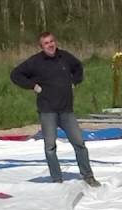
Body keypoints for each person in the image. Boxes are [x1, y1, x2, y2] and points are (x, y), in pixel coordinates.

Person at [10, 32, 99, 187]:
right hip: (47, 111)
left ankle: (88, 176)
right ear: (41, 46)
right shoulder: (35, 62)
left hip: (66, 110)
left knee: (79, 143)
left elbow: (78, 67)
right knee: (50, 147)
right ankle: (57, 179)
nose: (50, 45)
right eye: (46, 43)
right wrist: (32, 86)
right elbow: (15, 74)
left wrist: (74, 81)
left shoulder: (65, 57)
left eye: (51, 41)